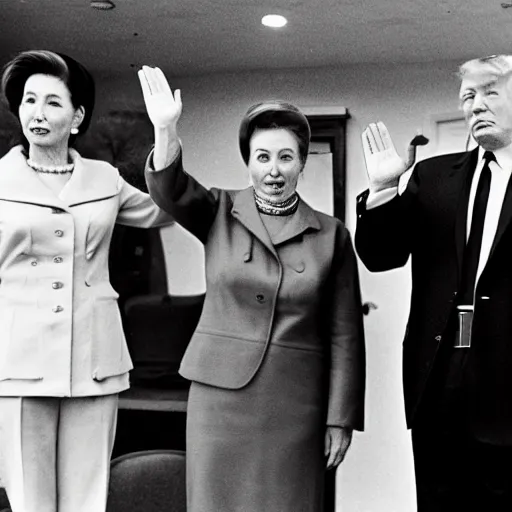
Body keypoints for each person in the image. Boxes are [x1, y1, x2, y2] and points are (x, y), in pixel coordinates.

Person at [138, 66, 366, 512]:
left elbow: (345, 335)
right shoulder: (218, 210)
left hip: (296, 404)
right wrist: (165, 130)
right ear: (248, 162)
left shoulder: (331, 234)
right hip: (219, 400)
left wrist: (340, 418)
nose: (274, 170)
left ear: (303, 161)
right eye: (262, 157)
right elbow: (169, 189)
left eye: (286, 157)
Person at [0, 50, 173, 512]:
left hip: (94, 359)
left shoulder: (105, 179)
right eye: (28, 100)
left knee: (87, 500)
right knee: (30, 502)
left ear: (77, 116)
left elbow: (168, 209)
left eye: (53, 102)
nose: (37, 112)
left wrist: (166, 132)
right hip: (20, 362)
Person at [355, 54, 512, 511]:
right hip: (438, 384)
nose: (475, 105)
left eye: (491, 93)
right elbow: (381, 256)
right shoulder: (433, 177)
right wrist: (384, 189)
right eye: (468, 96)